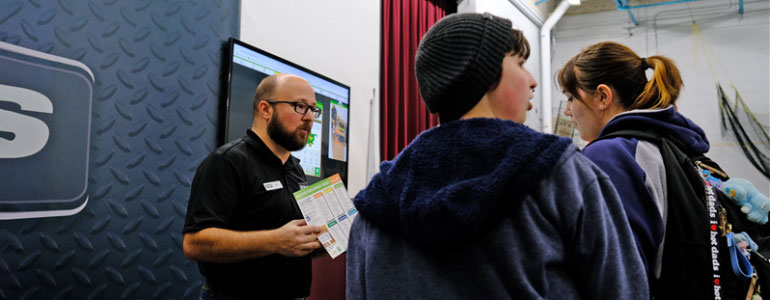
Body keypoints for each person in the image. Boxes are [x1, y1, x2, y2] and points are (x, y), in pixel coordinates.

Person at [345, 13, 648, 300]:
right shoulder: (561, 171)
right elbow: (622, 289)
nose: (533, 80)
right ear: (487, 74)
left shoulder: (378, 200)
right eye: (520, 63)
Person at [556, 41, 741, 298]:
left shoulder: (609, 154)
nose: (567, 111)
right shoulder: (671, 143)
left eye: (570, 97)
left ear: (602, 96)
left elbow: (617, 275)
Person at [183, 74, 324, 300]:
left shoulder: (296, 170)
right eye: (300, 106)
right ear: (266, 110)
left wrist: (325, 241)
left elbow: (293, 245)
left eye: (313, 110)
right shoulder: (227, 162)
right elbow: (195, 244)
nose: (309, 118)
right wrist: (276, 241)